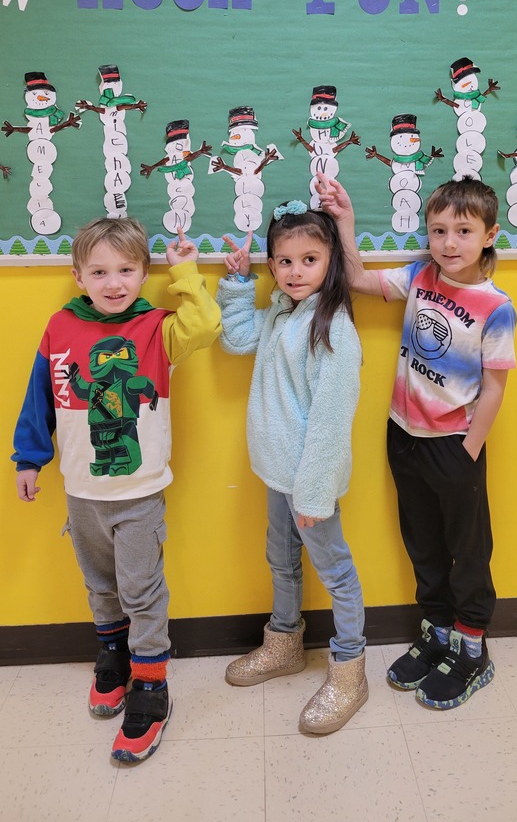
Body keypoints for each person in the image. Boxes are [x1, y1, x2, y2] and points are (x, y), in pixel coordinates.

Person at [13, 218, 221, 762]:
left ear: (144, 273)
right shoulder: (60, 326)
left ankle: (151, 683)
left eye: (126, 270)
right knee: (100, 585)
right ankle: (113, 655)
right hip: (81, 492)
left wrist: (185, 271)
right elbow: (40, 396)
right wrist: (29, 458)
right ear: (78, 276)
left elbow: (205, 325)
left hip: (139, 491)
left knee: (141, 589)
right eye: (99, 272)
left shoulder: (157, 327)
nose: (113, 283)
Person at [317, 173, 517, 710]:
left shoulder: (495, 305)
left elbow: (495, 387)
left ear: (489, 235)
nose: (449, 243)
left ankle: (472, 648)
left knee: (467, 550)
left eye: (463, 231)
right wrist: (344, 220)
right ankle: (437, 632)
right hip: (402, 435)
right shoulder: (421, 275)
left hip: (454, 444)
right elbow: (356, 278)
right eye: (438, 230)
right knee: (422, 543)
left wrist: (469, 449)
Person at [217, 200, 368, 734]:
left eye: (309, 259)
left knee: (336, 572)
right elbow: (238, 338)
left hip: (309, 483)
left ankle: (349, 670)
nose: (296, 271)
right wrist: (239, 284)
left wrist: (314, 494)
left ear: (330, 261)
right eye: (284, 261)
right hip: (276, 472)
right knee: (280, 560)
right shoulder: (282, 312)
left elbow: (331, 421)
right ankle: (284, 643)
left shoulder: (333, 328)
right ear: (273, 265)